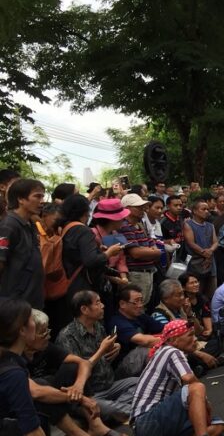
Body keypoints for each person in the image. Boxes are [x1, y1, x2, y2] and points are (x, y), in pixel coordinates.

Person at [0, 299, 89, 436]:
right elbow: (30, 429)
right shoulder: (12, 372)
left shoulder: (13, 361)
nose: (37, 324)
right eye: (31, 320)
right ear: (21, 330)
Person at [130, 319, 224, 436]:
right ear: (174, 340)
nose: (195, 339)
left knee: (217, 425)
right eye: (190, 335)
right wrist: (206, 403)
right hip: (146, 422)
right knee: (197, 387)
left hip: (156, 425)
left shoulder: (168, 350)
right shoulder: (171, 351)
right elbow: (189, 380)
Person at [24, 309, 130, 436]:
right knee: (42, 385)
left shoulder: (47, 347)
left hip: (64, 395)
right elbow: (36, 392)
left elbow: (84, 363)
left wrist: (78, 386)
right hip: (30, 404)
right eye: (42, 332)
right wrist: (80, 398)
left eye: (48, 330)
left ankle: (96, 426)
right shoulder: (14, 356)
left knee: (74, 367)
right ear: (27, 334)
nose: (48, 335)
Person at [56, 290, 138, 423]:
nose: (103, 306)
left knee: (139, 383)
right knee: (105, 407)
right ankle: (134, 411)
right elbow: (77, 371)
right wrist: (102, 350)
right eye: (98, 303)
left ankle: (119, 410)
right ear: (84, 309)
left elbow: (104, 356)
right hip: (89, 393)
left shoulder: (98, 327)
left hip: (110, 385)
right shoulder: (67, 336)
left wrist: (114, 348)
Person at [48, 194, 123, 334]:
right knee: (87, 325)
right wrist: (109, 253)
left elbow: (77, 254)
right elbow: (90, 261)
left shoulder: (65, 228)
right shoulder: (83, 230)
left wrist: (96, 250)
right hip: (81, 285)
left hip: (69, 283)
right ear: (84, 212)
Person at [0, 178, 45, 308]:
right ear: (21, 199)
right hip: (14, 303)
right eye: (37, 196)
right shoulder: (9, 225)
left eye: (42, 196)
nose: (42, 201)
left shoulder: (30, 224)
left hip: (31, 300)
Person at [119, 193, 162, 305]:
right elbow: (136, 253)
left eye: (143, 207)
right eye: (138, 207)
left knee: (143, 306)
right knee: (136, 307)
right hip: (136, 274)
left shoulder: (140, 225)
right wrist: (154, 251)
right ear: (127, 209)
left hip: (147, 272)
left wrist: (152, 251)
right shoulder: (125, 226)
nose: (143, 209)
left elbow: (152, 243)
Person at [183, 198, 218, 299]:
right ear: (194, 210)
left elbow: (215, 242)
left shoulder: (210, 226)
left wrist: (210, 252)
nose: (206, 211)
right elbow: (191, 243)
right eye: (203, 209)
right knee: (196, 293)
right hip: (195, 265)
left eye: (207, 209)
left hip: (211, 264)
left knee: (211, 293)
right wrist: (205, 253)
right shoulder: (188, 224)